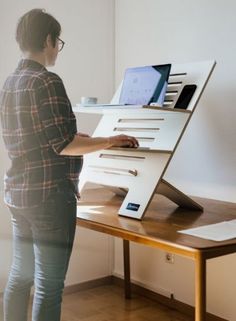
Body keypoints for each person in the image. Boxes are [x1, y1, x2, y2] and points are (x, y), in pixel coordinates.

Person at [0, 8, 139, 321]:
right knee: (49, 285)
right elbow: (64, 145)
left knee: (20, 276)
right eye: (57, 42)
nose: (56, 50)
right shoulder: (47, 81)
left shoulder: (10, 83)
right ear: (48, 39)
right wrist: (110, 140)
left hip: (18, 194)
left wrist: (73, 135)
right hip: (49, 198)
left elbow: (35, 135)